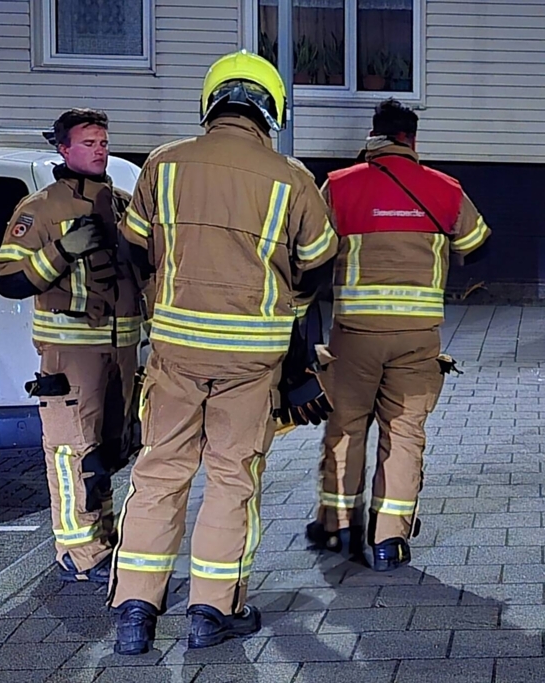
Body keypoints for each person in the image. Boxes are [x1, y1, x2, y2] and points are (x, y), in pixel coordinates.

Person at [107, 50, 336, 655]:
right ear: (271, 109)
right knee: (233, 478)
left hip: (176, 347)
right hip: (251, 358)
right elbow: (319, 266)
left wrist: (165, 293)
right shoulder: (294, 179)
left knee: (159, 472)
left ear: (211, 103)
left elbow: (135, 250)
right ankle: (213, 611)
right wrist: (288, 316)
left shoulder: (163, 164)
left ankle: (136, 611)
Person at [308, 98, 491, 571]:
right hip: (418, 338)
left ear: (375, 134)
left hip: (354, 335)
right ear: (412, 139)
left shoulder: (339, 186)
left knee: (346, 428)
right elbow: (477, 244)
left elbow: (311, 252)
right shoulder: (445, 188)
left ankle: (336, 527)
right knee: (405, 433)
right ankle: (390, 541)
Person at [0, 109, 141, 584]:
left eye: (103, 141)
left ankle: (104, 540)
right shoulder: (42, 208)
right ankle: (79, 554)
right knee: (71, 450)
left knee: (108, 450)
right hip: (70, 350)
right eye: (89, 142)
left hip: (120, 350)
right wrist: (62, 250)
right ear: (63, 148)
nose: (99, 149)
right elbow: (6, 277)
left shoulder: (119, 203)